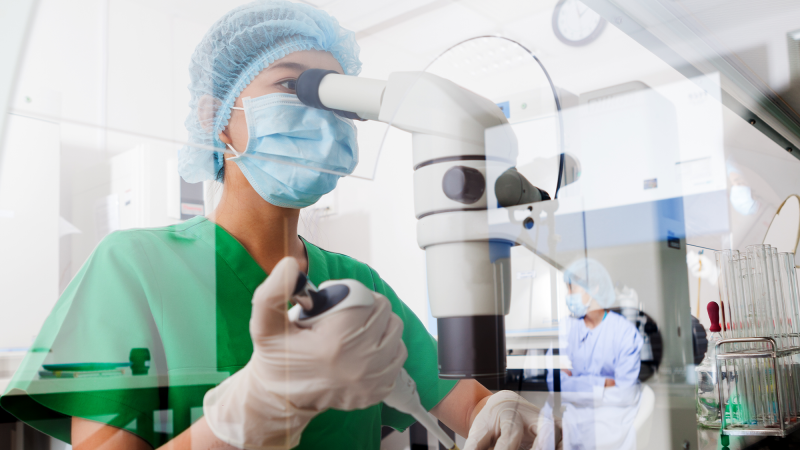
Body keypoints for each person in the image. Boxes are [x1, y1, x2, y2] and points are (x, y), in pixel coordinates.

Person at [1, 2, 542, 449]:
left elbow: (466, 407)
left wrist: (502, 410)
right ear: (218, 117)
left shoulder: (359, 284)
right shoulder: (132, 268)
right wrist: (252, 409)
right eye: (293, 87)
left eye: (334, 97)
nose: (320, 114)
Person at [539, 258, 644, 450]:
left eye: (571, 288)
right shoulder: (565, 327)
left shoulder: (624, 332)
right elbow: (555, 384)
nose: (567, 295)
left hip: (608, 419)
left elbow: (624, 394)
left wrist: (576, 384)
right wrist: (602, 384)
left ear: (594, 288)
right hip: (567, 415)